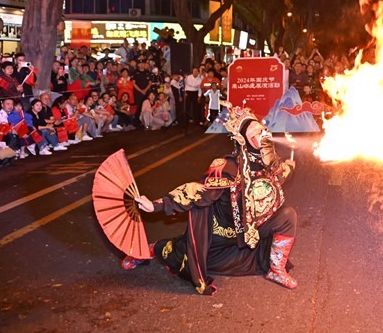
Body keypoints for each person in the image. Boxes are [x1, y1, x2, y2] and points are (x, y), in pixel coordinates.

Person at [124, 105, 298, 295]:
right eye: (256, 131)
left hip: (250, 233)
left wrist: (288, 167)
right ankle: (150, 249)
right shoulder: (228, 167)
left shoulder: (271, 162)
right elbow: (197, 191)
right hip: (221, 238)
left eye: (263, 129)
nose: (263, 133)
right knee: (182, 255)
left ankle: (276, 270)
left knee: (288, 216)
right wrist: (157, 204)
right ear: (242, 138)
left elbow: (277, 177)